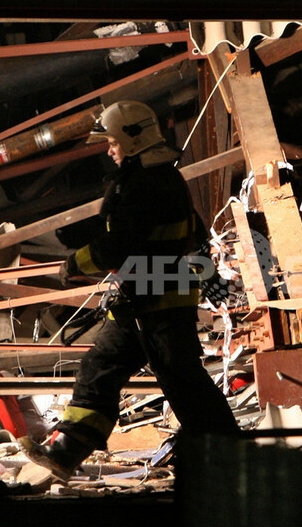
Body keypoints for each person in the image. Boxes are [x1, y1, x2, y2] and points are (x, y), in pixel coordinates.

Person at [19, 101, 239, 480]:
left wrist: (73, 265)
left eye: (112, 141)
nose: (109, 149)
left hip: (156, 301)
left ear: (132, 140)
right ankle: (65, 450)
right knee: (103, 368)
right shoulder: (161, 180)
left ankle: (232, 460)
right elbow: (194, 235)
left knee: (181, 382)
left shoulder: (144, 185)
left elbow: (117, 243)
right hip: (148, 299)